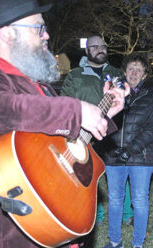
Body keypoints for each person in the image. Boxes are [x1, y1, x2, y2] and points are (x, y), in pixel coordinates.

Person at [0, 0, 128, 248]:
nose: (47, 35)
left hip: (60, 220)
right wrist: (76, 111)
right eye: (39, 28)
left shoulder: (41, 87)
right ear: (7, 33)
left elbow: (66, 148)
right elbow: (5, 111)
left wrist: (103, 114)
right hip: (13, 232)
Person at [60, 36, 134, 226]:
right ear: (87, 51)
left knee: (118, 173)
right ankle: (96, 216)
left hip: (111, 132)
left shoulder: (115, 73)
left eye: (103, 46)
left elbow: (124, 101)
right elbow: (65, 103)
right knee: (90, 176)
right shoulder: (76, 74)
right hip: (84, 134)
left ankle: (126, 214)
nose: (100, 49)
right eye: (95, 46)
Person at [102, 54, 153, 248]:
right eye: (131, 69)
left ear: (144, 75)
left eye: (139, 69)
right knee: (115, 200)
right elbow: (103, 121)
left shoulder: (150, 97)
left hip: (140, 158)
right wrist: (113, 147)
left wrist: (130, 149)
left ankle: (138, 244)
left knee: (140, 201)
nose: (134, 72)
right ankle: (115, 241)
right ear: (124, 72)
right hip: (114, 156)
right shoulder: (113, 94)